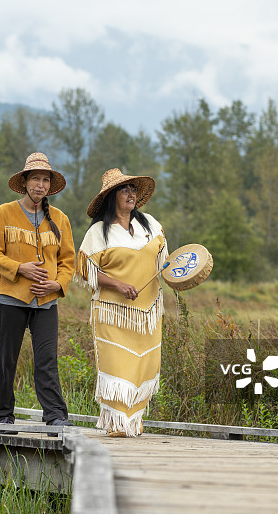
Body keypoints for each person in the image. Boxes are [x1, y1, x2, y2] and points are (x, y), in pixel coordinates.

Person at [0, 152, 76, 435]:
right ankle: (1, 414)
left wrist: (57, 285)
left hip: (46, 302)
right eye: (35, 178)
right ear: (24, 182)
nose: (40, 185)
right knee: (7, 357)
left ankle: (56, 416)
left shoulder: (60, 219)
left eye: (45, 180)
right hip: (11, 298)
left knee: (47, 359)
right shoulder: (3, 213)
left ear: (50, 186)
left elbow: (68, 261)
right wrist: (20, 268)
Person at [75, 168, 168, 437]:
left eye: (133, 189)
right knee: (117, 365)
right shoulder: (98, 234)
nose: (130, 194)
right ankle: (117, 423)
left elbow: (166, 264)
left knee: (144, 365)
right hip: (113, 314)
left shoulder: (150, 225)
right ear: (111, 197)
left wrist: (185, 275)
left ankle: (134, 422)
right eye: (124, 190)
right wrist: (117, 284)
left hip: (147, 312)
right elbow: (85, 270)